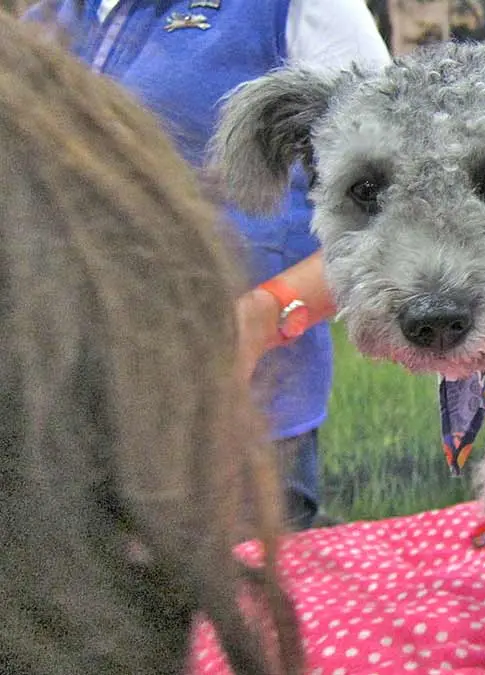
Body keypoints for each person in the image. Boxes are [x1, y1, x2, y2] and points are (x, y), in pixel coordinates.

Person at [0, 10, 299, 673]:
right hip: (80, 412)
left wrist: (267, 310)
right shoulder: (56, 13)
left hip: (230, 394)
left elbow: (387, 186)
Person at [29, 0, 392, 528]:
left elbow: (403, 201)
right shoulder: (52, 16)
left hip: (233, 426)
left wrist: (264, 315)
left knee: (229, 606)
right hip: (62, 418)